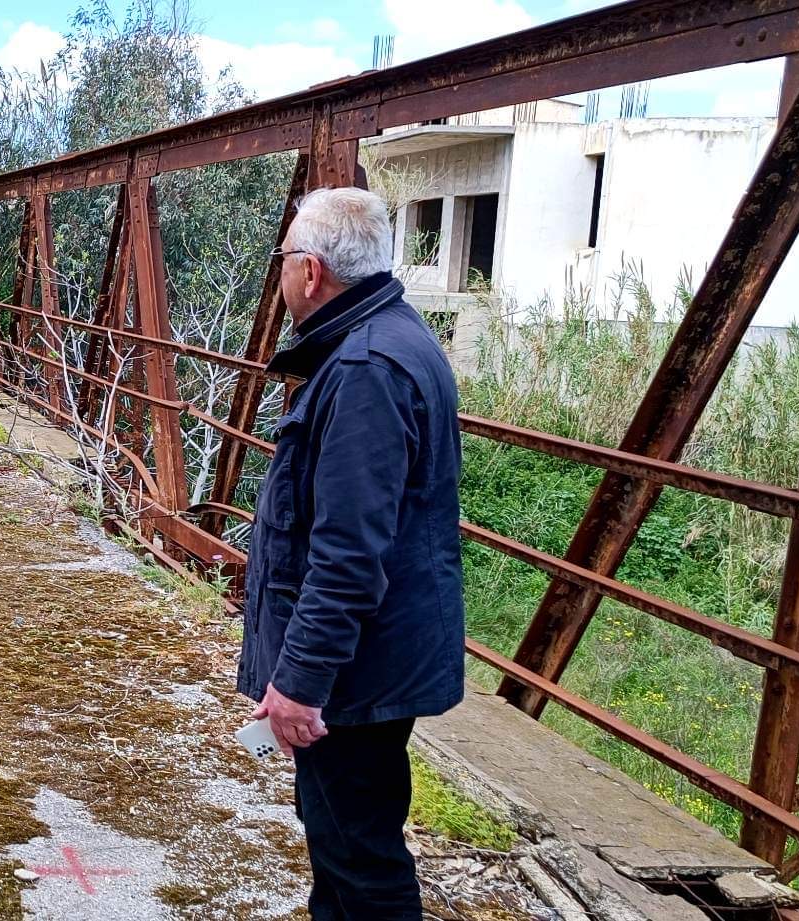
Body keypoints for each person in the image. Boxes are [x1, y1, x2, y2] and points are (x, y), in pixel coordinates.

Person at [239, 187, 465, 920]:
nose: (281, 276)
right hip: (372, 657)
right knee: (341, 841)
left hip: (355, 674)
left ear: (309, 271)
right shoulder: (388, 339)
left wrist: (301, 681)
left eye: (283, 262)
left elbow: (347, 551)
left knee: (360, 858)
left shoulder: (365, 368)